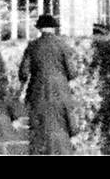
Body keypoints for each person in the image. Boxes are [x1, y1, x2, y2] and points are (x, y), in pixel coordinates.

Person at [17, 14, 79, 155]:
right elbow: (72, 72)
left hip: (37, 93)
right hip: (60, 91)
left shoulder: (32, 46)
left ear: (40, 28)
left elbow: (24, 73)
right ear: (54, 28)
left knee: (38, 131)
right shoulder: (62, 45)